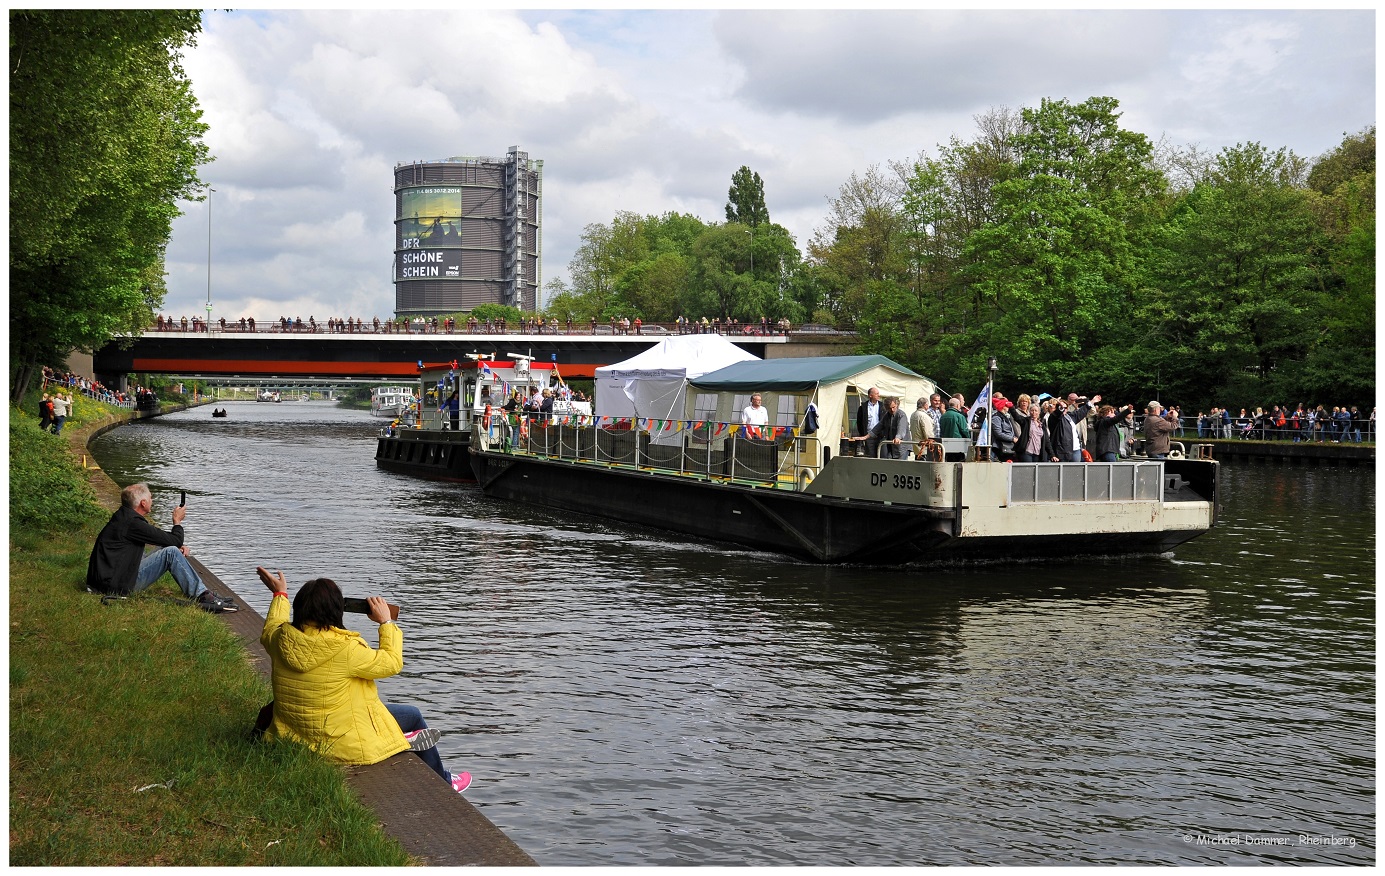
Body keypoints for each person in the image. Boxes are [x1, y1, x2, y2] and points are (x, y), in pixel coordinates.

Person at [254, 568, 472, 794]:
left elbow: (271, 625)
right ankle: (446, 782)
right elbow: (392, 662)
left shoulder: (279, 638)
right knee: (414, 715)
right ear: (337, 611)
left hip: (296, 735)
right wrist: (386, 623)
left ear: (299, 609)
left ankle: (396, 737)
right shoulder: (346, 649)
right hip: (339, 743)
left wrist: (280, 595)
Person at [86, 483, 236, 612]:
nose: (153, 500)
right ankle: (203, 595)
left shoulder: (124, 517)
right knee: (171, 552)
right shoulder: (133, 524)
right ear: (143, 503)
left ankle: (203, 592)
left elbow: (165, 539)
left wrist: (174, 543)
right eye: (151, 498)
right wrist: (177, 521)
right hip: (116, 587)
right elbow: (175, 540)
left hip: (107, 580)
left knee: (168, 547)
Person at [854, 388, 882, 458]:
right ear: (870, 395)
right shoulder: (863, 407)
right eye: (876, 394)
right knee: (870, 456)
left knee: (881, 456)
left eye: (878, 393)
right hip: (868, 436)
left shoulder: (883, 406)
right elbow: (859, 422)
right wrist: (863, 434)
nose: (878, 395)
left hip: (881, 436)